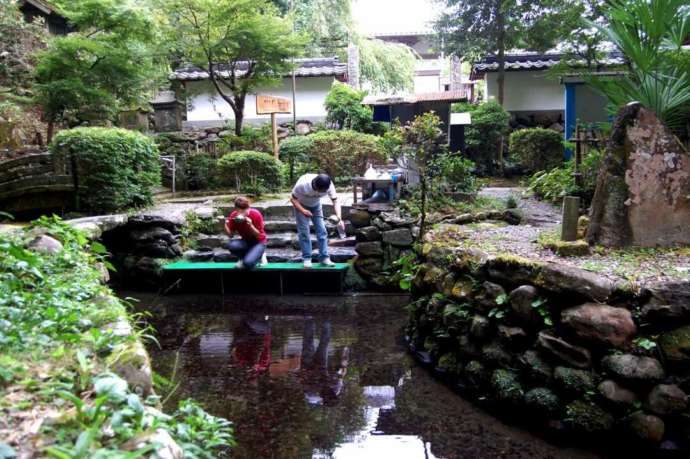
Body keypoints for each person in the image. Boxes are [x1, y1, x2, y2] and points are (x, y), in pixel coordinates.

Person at [290, 173, 345, 268]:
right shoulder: (302, 184)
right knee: (304, 232)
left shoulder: (329, 185)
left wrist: (339, 218)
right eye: (319, 190)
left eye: (323, 191)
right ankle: (307, 258)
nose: (320, 193)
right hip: (301, 206)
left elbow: (335, 201)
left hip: (316, 206)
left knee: (322, 231)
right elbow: (293, 199)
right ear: (315, 185)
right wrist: (303, 210)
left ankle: (324, 257)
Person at [224, 196, 268, 269]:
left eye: (244, 211)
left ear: (248, 208)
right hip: (246, 242)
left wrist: (250, 225)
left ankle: (260, 254)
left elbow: (258, 235)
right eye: (239, 211)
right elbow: (231, 235)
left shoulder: (256, 214)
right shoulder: (234, 216)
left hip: (259, 242)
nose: (242, 213)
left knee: (248, 264)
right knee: (231, 245)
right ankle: (242, 258)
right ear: (236, 209)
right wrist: (224, 225)